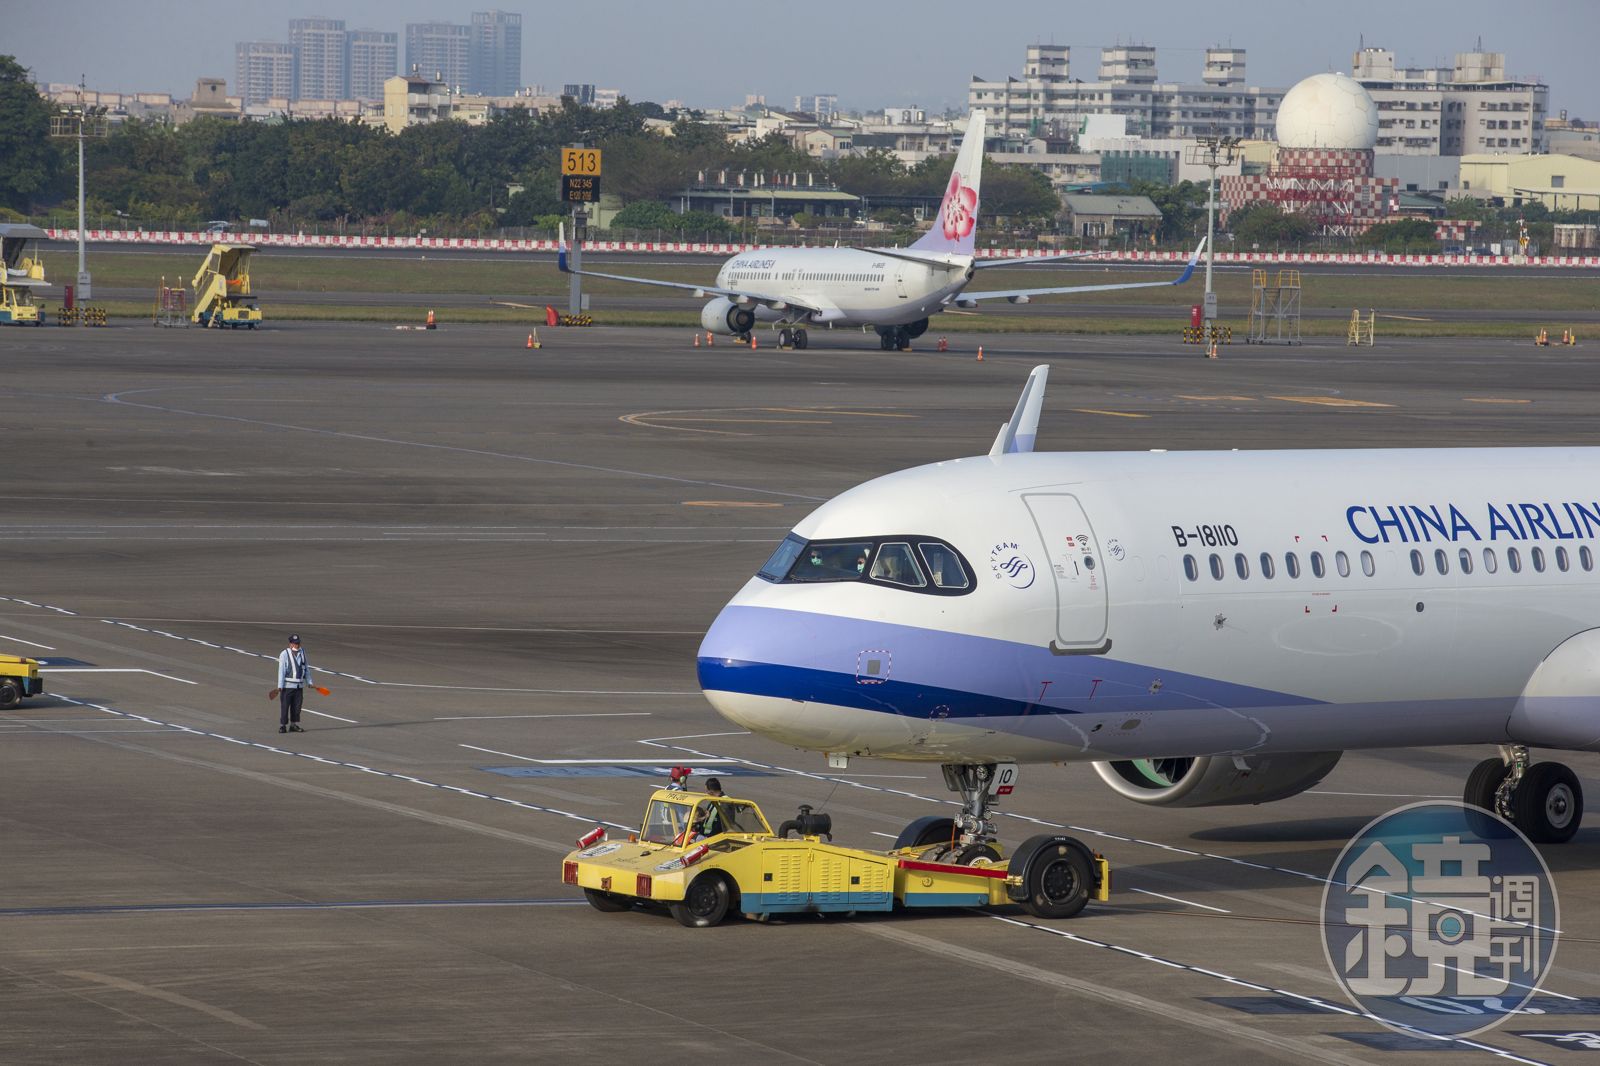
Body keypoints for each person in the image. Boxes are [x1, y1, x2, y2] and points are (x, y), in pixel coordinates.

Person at [275, 634, 312, 733]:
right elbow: (281, 671)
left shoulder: (302, 652)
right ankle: (283, 726)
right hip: (287, 686)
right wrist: (280, 686)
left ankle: (293, 725)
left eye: (298, 643)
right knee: (285, 706)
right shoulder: (284, 654)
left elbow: (306, 668)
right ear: (290, 644)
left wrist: (309, 681)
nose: (297, 645)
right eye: (295, 643)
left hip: (299, 686)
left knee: (297, 707)